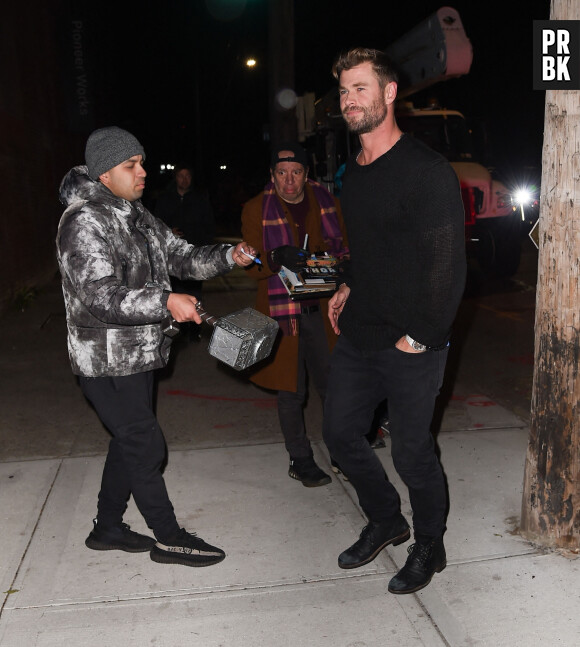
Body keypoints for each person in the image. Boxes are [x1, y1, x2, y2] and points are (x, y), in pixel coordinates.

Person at [56, 126, 257, 568]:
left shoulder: (136, 212)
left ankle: (107, 527)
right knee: (145, 444)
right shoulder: (83, 220)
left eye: (141, 162)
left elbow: (181, 255)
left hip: (140, 353)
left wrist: (230, 256)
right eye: (132, 165)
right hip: (105, 360)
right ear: (104, 174)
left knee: (129, 440)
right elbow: (102, 297)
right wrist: (166, 300)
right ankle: (169, 538)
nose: (143, 171)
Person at [323, 48, 466, 594]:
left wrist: (421, 337)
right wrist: (348, 283)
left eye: (361, 88)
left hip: (413, 341)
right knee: (338, 433)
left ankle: (430, 541)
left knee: (411, 452)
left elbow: (448, 266)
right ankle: (386, 519)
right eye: (343, 91)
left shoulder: (426, 171)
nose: (350, 100)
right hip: (361, 332)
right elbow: (371, 249)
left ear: (388, 94)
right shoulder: (353, 174)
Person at [241, 142, 349, 487]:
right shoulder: (255, 209)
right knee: (291, 390)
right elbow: (252, 265)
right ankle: (300, 458)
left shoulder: (327, 202)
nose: (290, 180)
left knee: (334, 386)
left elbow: (344, 249)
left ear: (306, 173)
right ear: (272, 175)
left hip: (322, 308)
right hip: (280, 312)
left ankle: (341, 452)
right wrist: (275, 258)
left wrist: (321, 262)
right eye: (282, 173)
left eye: (296, 172)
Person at [155, 165, 216, 341]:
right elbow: (155, 224)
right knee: (173, 290)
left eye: (187, 176)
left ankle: (194, 326)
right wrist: (168, 232)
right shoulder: (165, 199)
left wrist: (204, 247)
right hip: (171, 254)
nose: (184, 179)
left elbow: (208, 225)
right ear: (175, 177)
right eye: (180, 176)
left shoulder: (200, 199)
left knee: (195, 290)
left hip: (194, 253)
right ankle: (174, 327)